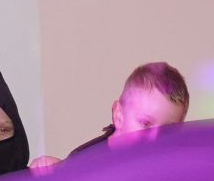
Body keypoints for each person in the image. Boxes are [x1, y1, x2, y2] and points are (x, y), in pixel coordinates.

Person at [34, 62, 191, 169]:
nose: (155, 137)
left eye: (168, 130)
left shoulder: (166, 165)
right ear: (119, 116)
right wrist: (56, 170)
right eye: (145, 123)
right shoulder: (89, 160)